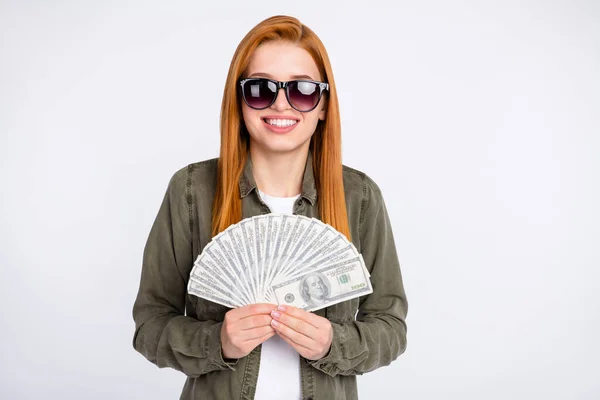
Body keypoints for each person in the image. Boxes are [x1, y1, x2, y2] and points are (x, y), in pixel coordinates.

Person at [132, 15, 408, 400]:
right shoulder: (191, 191)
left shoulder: (359, 197)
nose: (281, 103)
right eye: (261, 88)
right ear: (239, 100)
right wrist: (218, 341)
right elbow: (149, 326)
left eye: (303, 89)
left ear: (324, 104)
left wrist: (333, 343)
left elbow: (391, 328)